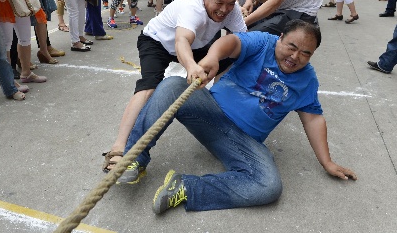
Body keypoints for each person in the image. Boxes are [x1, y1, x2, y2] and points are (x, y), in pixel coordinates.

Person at [119, 20, 357, 214]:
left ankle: (186, 187)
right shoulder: (264, 42)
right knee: (172, 85)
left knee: (268, 186)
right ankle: (135, 157)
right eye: (291, 46)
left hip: (244, 141)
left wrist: (327, 162)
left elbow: (313, 118)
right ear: (281, 37)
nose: (295, 57)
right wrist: (213, 57)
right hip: (210, 113)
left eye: (305, 53)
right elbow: (231, 42)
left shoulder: (307, 80)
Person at [102, 0, 247, 173]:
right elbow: (181, 41)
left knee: (234, 56)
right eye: (219, 3)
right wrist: (191, 67)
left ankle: (215, 98)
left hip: (199, 44)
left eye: (231, 3)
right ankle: (119, 148)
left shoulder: (232, 10)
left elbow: (242, 42)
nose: (224, 10)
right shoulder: (191, 8)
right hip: (158, 42)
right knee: (149, 86)